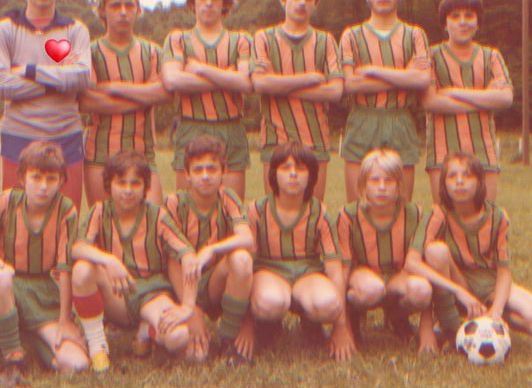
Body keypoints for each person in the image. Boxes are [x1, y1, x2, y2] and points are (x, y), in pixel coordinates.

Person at [405, 152, 532, 345]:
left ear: (479, 182)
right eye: (452, 176)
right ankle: (449, 324)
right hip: (457, 284)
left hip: (489, 286)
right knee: (436, 251)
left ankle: (489, 321)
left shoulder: (497, 216)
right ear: (444, 184)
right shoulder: (438, 214)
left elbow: (504, 272)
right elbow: (411, 263)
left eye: (467, 175)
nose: (460, 181)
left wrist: (497, 310)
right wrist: (458, 291)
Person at [70, 150, 197, 369]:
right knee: (82, 269)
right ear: (109, 185)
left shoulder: (157, 215)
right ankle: (98, 345)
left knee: (178, 337)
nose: (128, 190)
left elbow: (187, 254)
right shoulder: (100, 211)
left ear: (145, 187)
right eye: (121, 183)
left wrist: (188, 306)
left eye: (135, 183)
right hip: (117, 294)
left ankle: (147, 330)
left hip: (152, 294)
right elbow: (78, 248)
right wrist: (109, 261)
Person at [0, 0, 92, 212]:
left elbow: (81, 77)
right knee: (15, 217)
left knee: (66, 217)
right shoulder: (4, 29)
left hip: (65, 135)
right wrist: (57, 82)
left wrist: (30, 71)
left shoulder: (75, 30)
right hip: (18, 135)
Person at [0, 141, 88, 388]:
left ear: (61, 181)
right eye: (36, 177)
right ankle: (12, 358)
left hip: (43, 295)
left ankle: (27, 339)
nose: (43, 186)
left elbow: (65, 268)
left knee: (77, 364)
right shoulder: (5, 202)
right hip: (7, 285)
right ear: (22, 177)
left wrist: (65, 320)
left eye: (51, 179)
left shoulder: (66, 210)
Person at [235, 142, 353, 362]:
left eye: (300, 168)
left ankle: (311, 322)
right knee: (270, 302)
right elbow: (245, 268)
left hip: (307, 273)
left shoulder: (320, 213)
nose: (293, 174)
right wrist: (246, 325)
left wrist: (341, 327)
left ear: (311, 175)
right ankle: (266, 325)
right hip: (269, 272)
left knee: (329, 304)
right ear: (273, 174)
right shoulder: (256, 211)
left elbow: (335, 270)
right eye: (285, 167)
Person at [339, 0, 430, 203]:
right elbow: (350, 84)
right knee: (357, 206)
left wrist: (372, 71)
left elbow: (422, 80)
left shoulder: (415, 35)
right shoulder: (352, 35)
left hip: (400, 119)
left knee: (401, 207)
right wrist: (404, 76)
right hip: (362, 119)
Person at [252, 0, 343, 201]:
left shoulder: (325, 41)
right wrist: (309, 78)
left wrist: (278, 84)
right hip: (275, 139)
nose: (302, 2)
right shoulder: (264, 38)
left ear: (315, 3)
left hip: (315, 139)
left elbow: (335, 91)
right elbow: (260, 83)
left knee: (313, 212)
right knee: (275, 212)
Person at [161, 0, 253, 199]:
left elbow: (246, 83)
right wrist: (226, 77)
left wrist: (201, 69)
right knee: (186, 209)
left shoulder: (241, 40)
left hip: (230, 127)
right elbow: (172, 80)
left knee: (231, 207)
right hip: (191, 126)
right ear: (192, 2)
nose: (209, 2)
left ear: (225, 2)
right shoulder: (177, 39)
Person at [163, 135, 254, 363]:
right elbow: (171, 260)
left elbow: (246, 238)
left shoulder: (228, 199)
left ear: (224, 172)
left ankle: (228, 339)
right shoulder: (174, 203)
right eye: (198, 169)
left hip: (214, 282)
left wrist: (211, 250)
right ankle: (153, 333)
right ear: (187, 174)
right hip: (182, 285)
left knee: (241, 258)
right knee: (195, 358)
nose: (205, 176)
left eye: (212, 169)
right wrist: (191, 309)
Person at [81, 0, 170, 206]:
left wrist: (115, 88)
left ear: (138, 9)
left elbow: (162, 93)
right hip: (99, 154)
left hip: (143, 154)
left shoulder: (152, 52)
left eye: (129, 5)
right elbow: (87, 101)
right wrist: (143, 96)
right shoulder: (90, 52)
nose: (123, 12)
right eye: (115, 6)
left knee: (152, 221)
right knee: (104, 222)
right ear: (102, 10)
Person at [337, 149, 436, 354]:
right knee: (371, 289)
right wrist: (341, 328)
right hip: (364, 276)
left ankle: (397, 316)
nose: (382, 187)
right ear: (363, 185)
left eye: (389, 180)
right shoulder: (348, 215)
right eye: (374, 180)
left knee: (421, 290)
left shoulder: (415, 214)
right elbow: (343, 271)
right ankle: (354, 319)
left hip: (398, 275)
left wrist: (427, 329)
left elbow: (426, 268)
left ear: (399, 185)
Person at [422, 0, 513, 203]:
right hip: (442, 152)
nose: (463, 22)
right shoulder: (431, 56)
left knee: (486, 216)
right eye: (455, 16)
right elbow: (430, 101)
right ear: (445, 24)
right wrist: (485, 99)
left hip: (483, 151)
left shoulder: (491, 56)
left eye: (469, 16)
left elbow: (505, 98)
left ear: (478, 22)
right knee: (445, 217)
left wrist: (453, 92)